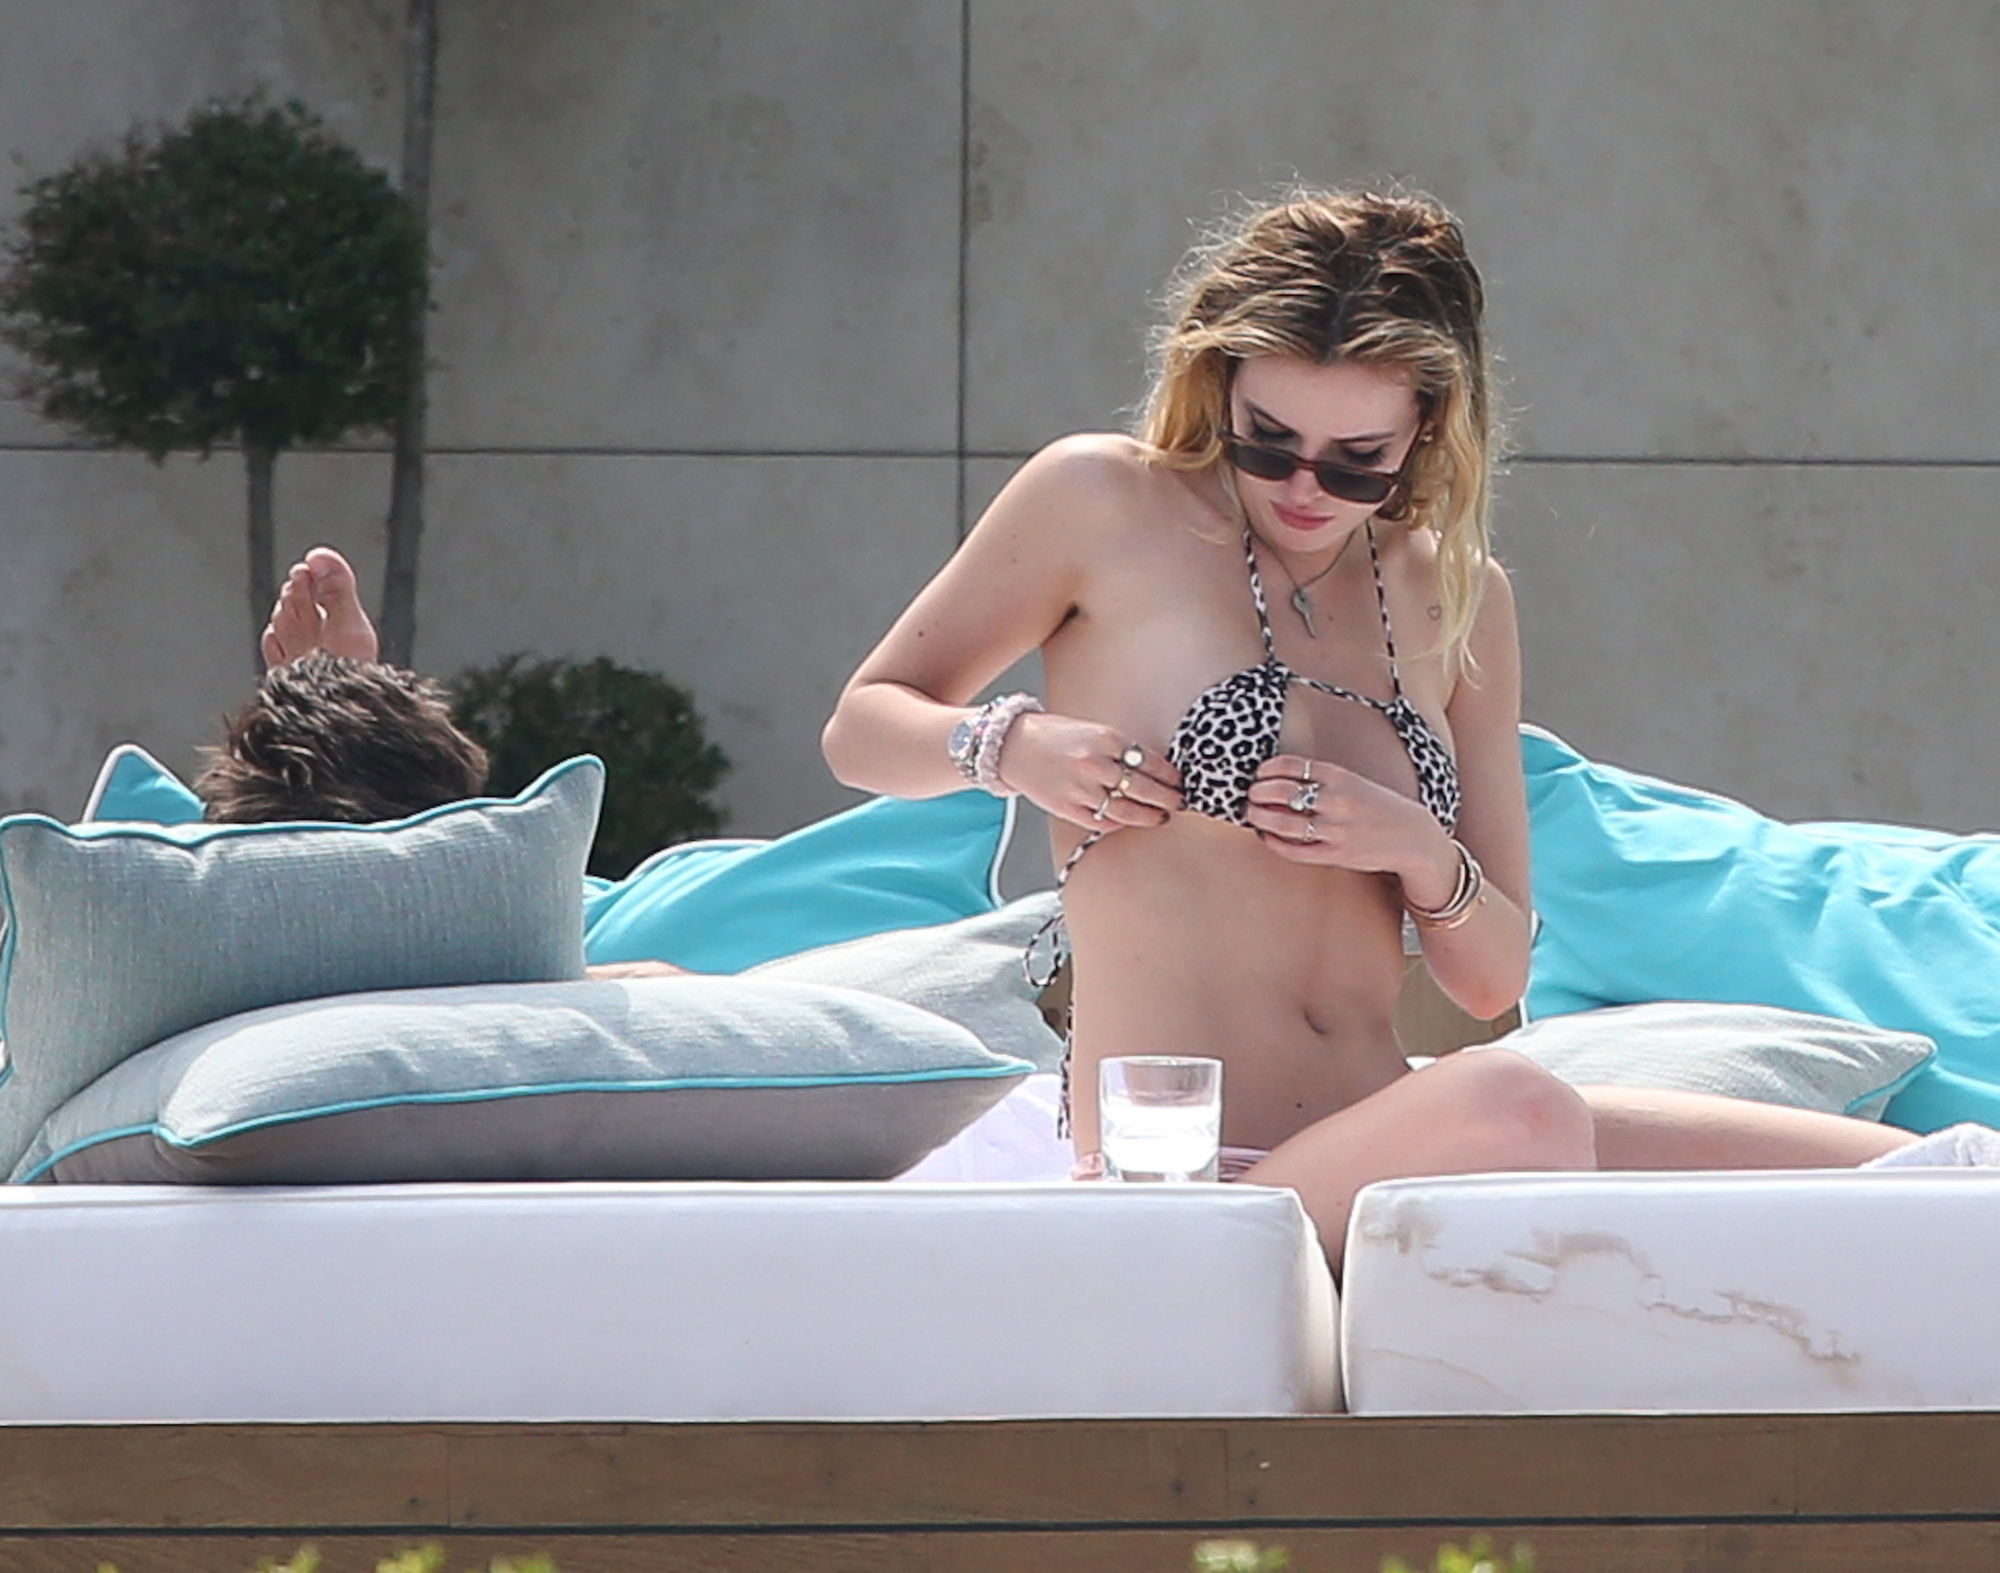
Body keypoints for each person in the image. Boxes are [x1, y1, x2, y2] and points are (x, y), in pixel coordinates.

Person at [822, 185, 1965, 1269]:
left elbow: (1489, 978)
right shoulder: (1102, 503)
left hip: (1392, 1128)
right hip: (1184, 1171)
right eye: (1265, 439)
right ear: (1217, 386)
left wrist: (1417, 851)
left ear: (1426, 428)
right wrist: (1011, 747)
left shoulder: (1455, 593)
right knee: (1515, 1102)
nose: (1301, 487)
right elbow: (862, 726)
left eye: (1354, 461)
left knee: (1942, 1171)